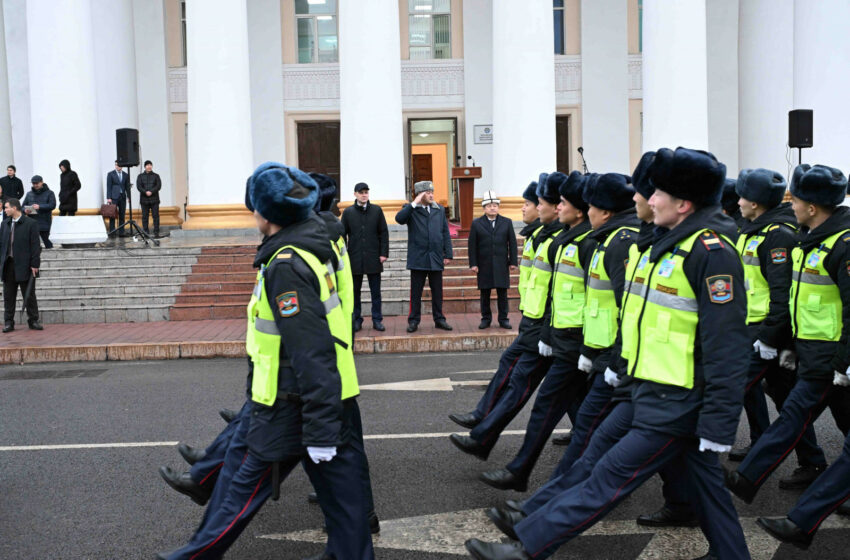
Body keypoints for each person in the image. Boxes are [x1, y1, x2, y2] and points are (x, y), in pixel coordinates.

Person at [466, 147, 752, 560]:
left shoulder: (710, 252)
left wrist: (718, 425)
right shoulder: (672, 243)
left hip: (677, 399)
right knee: (699, 484)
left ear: (684, 204)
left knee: (608, 476)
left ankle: (528, 546)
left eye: (658, 194)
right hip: (648, 386)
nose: (649, 201)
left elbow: (727, 346)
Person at [159, 163, 374, 560]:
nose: (251, 215)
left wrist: (322, 428)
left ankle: (192, 556)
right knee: (345, 503)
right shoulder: (304, 249)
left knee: (241, 490)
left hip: (292, 402)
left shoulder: (286, 266)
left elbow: (310, 351)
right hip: (316, 397)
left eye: (254, 208)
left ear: (267, 214)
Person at [726, 164, 850, 505]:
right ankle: (808, 466)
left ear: (811, 207)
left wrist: (771, 338)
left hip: (820, 349)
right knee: (803, 407)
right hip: (804, 346)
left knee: (786, 411)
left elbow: (784, 295)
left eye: (795, 200)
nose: (790, 204)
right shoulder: (789, 235)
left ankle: (739, 476)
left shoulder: (804, 238)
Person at [479, 171, 594, 492]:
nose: (554, 208)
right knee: (575, 411)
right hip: (560, 336)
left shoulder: (588, 242)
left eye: (559, 202)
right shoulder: (563, 239)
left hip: (584, 345)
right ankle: (520, 469)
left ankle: (553, 490)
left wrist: (597, 352)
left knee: (594, 419)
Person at [448, 174, 563, 462]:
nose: (522, 208)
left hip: (549, 329)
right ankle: (482, 423)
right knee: (557, 391)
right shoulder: (540, 235)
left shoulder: (559, 239)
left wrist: (546, 329)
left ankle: (488, 439)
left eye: (529, 203)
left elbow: (561, 291)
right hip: (535, 322)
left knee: (528, 388)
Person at [545, 172, 639, 479]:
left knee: (589, 423)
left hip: (614, 353)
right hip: (600, 348)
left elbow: (629, 308)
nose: (588, 210)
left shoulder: (621, 243)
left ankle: (560, 491)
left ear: (606, 211)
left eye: (592, 205)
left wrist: (617, 360)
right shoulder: (607, 239)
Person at [396, 180, 453, 333]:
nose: (431, 195)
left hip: (435, 257)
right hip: (418, 258)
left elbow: (445, 232)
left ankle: (439, 319)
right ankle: (414, 320)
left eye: (432, 192)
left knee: (437, 292)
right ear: (419, 194)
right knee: (416, 293)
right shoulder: (411, 209)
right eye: (427, 192)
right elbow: (399, 219)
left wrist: (448, 253)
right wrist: (414, 202)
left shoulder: (439, 210)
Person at [341, 182, 389, 332]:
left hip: (373, 257)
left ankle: (377, 319)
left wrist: (383, 253)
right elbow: (342, 236)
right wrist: (343, 256)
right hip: (354, 258)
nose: (364, 195)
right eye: (361, 192)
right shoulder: (348, 213)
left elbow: (384, 232)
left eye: (366, 192)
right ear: (355, 194)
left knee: (376, 292)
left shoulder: (376, 210)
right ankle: (356, 320)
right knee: (355, 292)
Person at [468, 190, 517, 329]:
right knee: (485, 293)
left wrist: (513, 261)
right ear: (484, 208)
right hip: (484, 264)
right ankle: (486, 319)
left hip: (501, 263)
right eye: (489, 205)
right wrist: (473, 264)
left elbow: (512, 243)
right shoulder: (477, 223)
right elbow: (472, 245)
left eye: (495, 205)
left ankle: (503, 319)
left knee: (503, 293)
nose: (492, 208)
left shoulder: (507, 222)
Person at [0, 198, 42, 332]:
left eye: (6, 207)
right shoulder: (5, 224)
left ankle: (33, 320)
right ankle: (8, 322)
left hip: (25, 265)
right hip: (8, 265)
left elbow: (35, 246)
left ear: (14, 208)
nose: (4, 210)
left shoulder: (30, 223)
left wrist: (35, 264)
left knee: (29, 295)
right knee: (8, 296)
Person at [22, 175, 56, 249]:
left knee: (48, 243)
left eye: (37, 183)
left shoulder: (50, 193)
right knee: (34, 245)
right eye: (33, 183)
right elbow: (22, 207)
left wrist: (40, 206)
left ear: (42, 182)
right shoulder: (29, 194)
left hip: (45, 222)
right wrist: (25, 210)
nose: (35, 185)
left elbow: (52, 205)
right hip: (32, 222)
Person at [137, 160, 162, 237]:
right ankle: (146, 232)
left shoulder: (156, 176)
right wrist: (145, 192)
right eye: (147, 165)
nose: (149, 166)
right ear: (145, 167)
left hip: (154, 199)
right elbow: (139, 186)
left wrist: (151, 191)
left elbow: (158, 186)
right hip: (144, 200)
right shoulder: (140, 176)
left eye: (150, 165)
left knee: (156, 216)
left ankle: (156, 232)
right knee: (145, 217)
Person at [105, 161, 129, 237]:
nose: (118, 166)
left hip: (122, 197)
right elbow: (108, 186)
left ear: (122, 166)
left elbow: (127, 187)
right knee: (112, 215)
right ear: (115, 166)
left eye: (119, 165)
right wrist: (109, 197)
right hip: (114, 197)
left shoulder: (125, 175)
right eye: (116, 165)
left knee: (122, 214)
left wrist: (128, 196)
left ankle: (121, 232)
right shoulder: (111, 174)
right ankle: (112, 232)